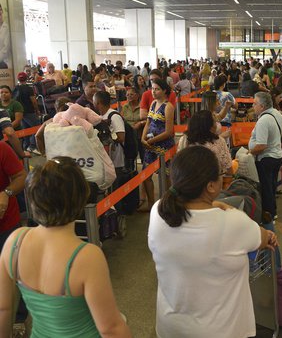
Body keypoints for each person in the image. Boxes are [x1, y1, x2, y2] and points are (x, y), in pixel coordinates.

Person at [148, 145, 278, 338]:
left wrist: (213, 204)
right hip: (220, 331)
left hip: (170, 328)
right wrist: (225, 207)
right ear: (210, 186)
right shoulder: (233, 222)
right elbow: (263, 237)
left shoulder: (159, 211)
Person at [0, 157, 132, 337]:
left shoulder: (14, 242)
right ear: (80, 200)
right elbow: (111, 328)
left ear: (32, 200)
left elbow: (4, 309)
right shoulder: (87, 256)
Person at [140, 78, 175, 213]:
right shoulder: (153, 103)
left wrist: (151, 141)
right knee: (145, 174)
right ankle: (151, 204)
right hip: (150, 145)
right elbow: (148, 123)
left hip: (164, 145)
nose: (153, 92)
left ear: (164, 90)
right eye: (152, 89)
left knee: (165, 176)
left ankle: (167, 203)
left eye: (157, 89)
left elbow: (169, 131)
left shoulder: (168, 107)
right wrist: (143, 139)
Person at [249, 92, 282, 219]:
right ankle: (272, 210)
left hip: (266, 159)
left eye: (255, 103)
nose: (253, 106)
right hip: (276, 156)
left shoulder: (264, 120)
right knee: (271, 186)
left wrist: (249, 153)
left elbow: (261, 146)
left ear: (262, 106)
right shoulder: (276, 113)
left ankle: (269, 214)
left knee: (266, 188)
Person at [177, 110, 232, 175]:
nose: (216, 125)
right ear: (210, 127)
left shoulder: (184, 139)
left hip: (189, 181)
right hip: (213, 182)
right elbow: (229, 169)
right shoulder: (219, 141)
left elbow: (179, 163)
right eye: (215, 122)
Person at [93, 91, 125, 170]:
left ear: (98, 102)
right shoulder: (100, 117)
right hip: (107, 161)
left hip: (117, 161)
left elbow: (121, 137)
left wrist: (107, 138)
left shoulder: (114, 116)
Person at [13, 72, 41, 154]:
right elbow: (34, 101)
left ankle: (26, 146)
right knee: (37, 127)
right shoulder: (29, 89)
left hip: (19, 113)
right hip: (29, 111)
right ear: (26, 78)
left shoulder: (15, 88)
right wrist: (37, 110)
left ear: (18, 79)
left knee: (26, 129)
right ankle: (32, 146)